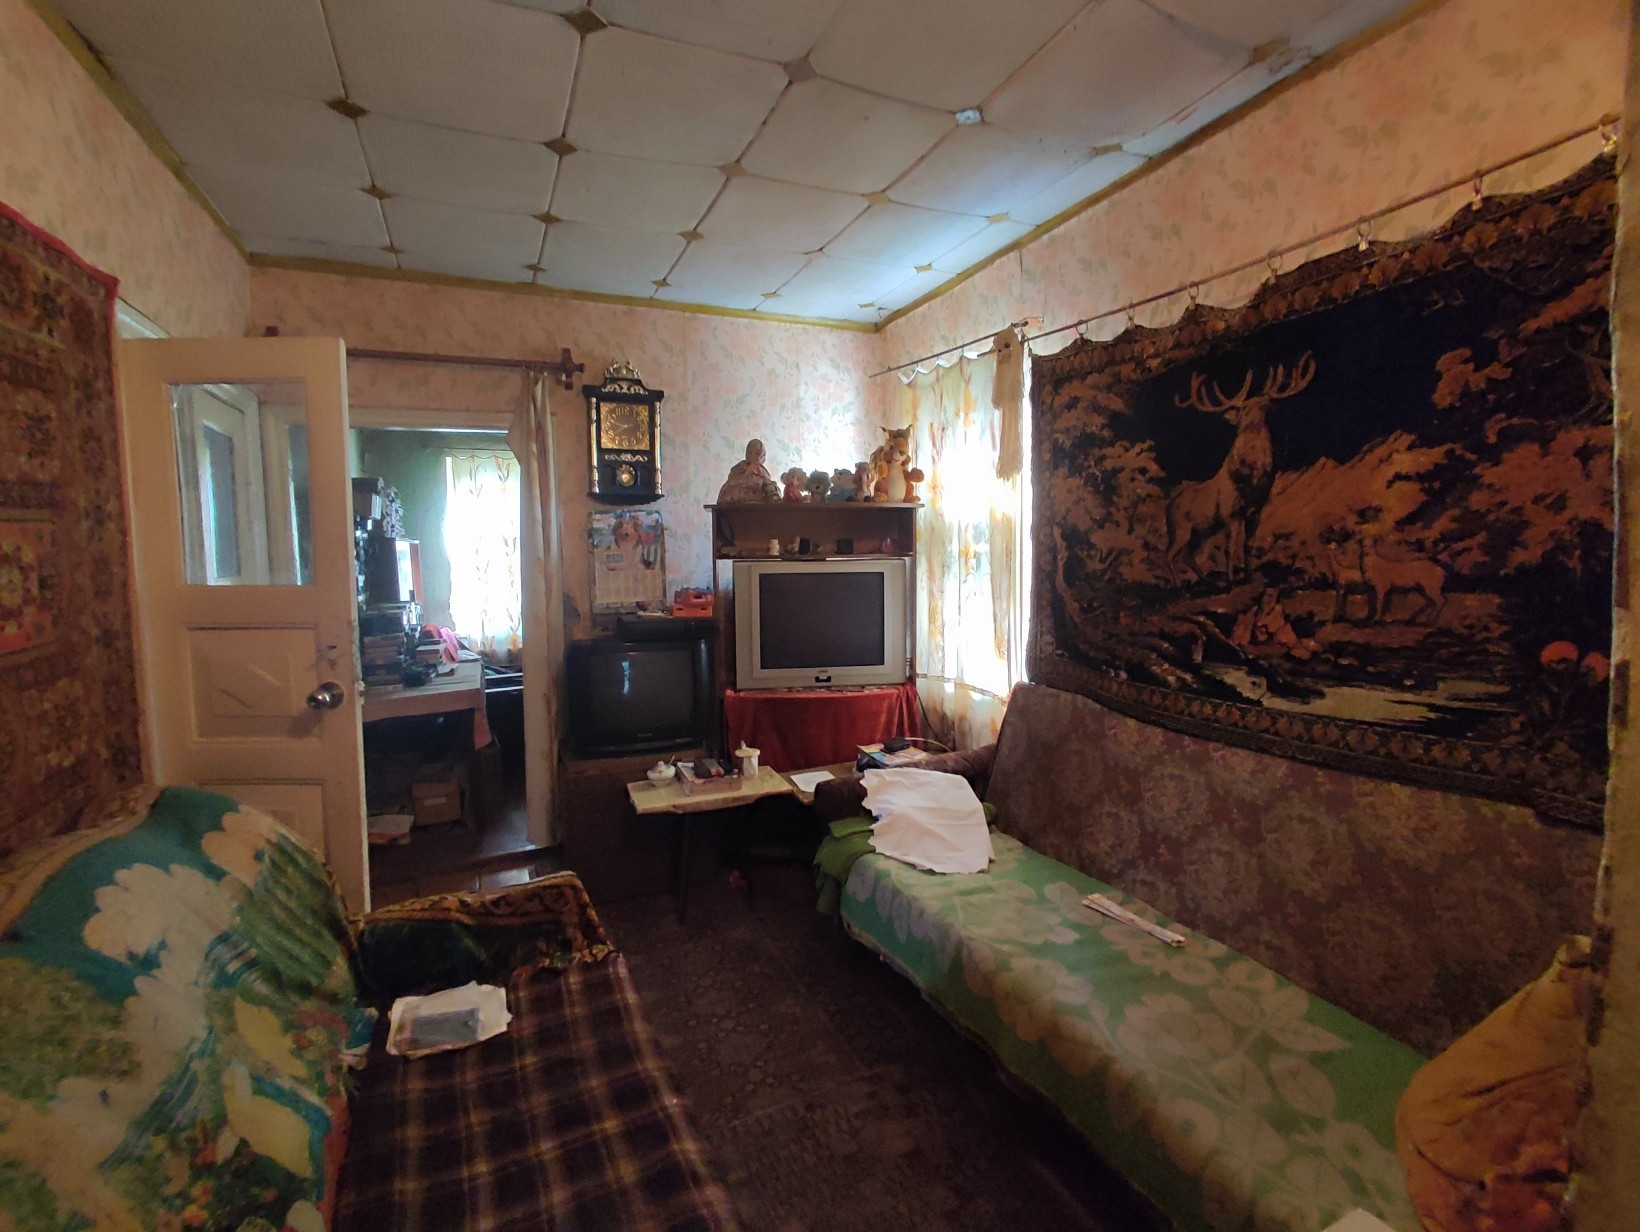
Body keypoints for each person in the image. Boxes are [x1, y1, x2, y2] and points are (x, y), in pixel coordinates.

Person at [718, 438, 779, 503]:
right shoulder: (741, 466)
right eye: (756, 453)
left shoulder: (762, 470)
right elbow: (734, 479)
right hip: (741, 497)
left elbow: (767, 481)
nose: (760, 457)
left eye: (763, 454)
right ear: (748, 454)